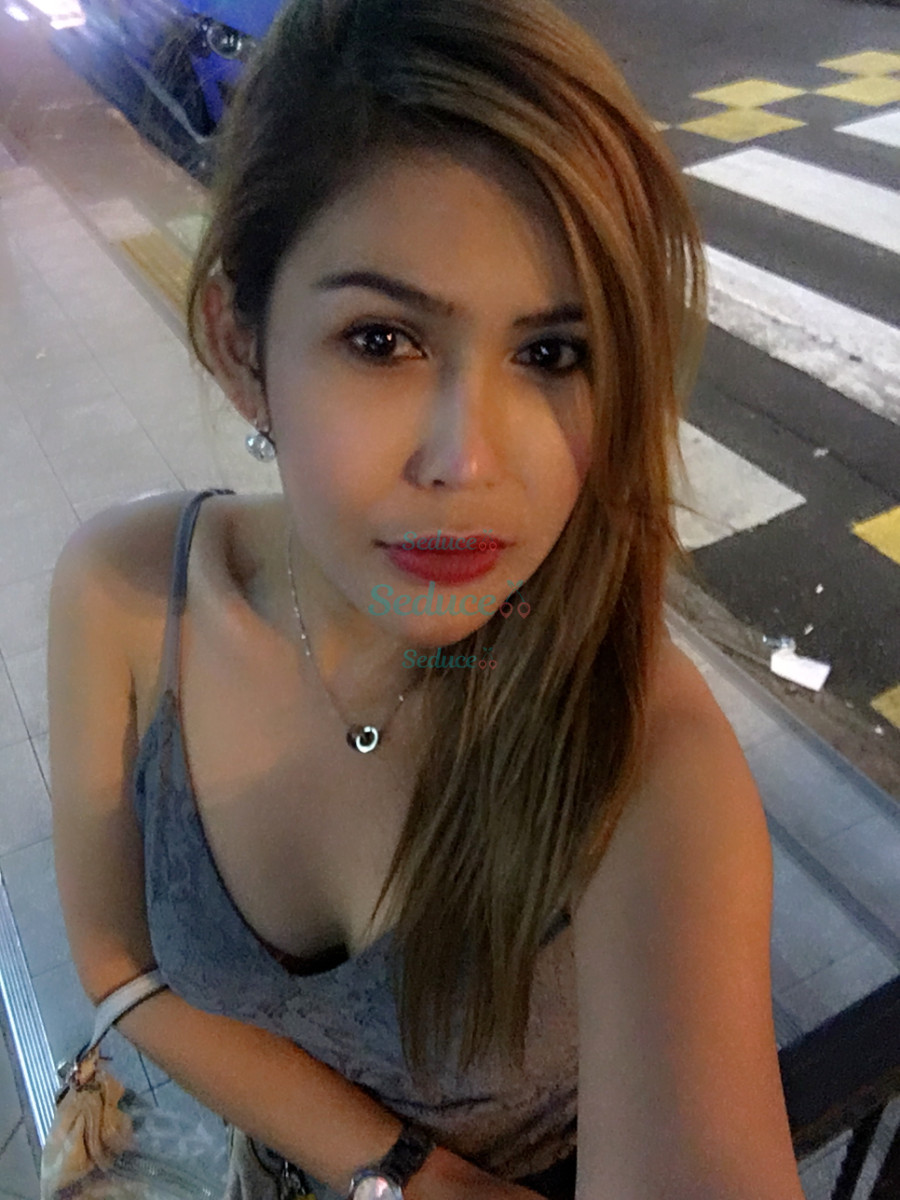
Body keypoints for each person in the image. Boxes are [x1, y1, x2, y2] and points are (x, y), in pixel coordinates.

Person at [47, 0, 807, 1197]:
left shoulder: (643, 757)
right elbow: (114, 961)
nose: (469, 462)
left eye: (553, 353)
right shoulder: (129, 594)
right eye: (384, 340)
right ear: (241, 346)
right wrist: (409, 1174)